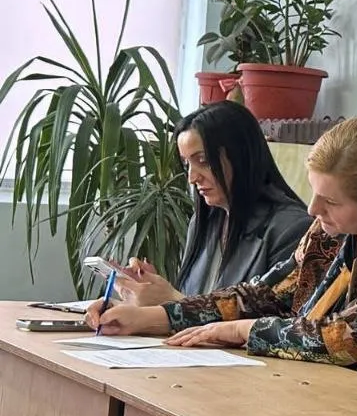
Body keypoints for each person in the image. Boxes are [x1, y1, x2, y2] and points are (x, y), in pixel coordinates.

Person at [86, 115, 357, 383]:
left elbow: (346, 338)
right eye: (314, 193)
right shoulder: (331, 228)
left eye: (331, 201)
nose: (312, 209)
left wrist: (241, 329)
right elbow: (265, 294)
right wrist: (151, 318)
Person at [112, 101, 312, 307]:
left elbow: (273, 321)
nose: (192, 178)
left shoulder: (292, 229)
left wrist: (172, 302)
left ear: (241, 156)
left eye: (204, 161)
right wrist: (153, 293)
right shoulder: (205, 221)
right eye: (186, 164)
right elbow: (192, 302)